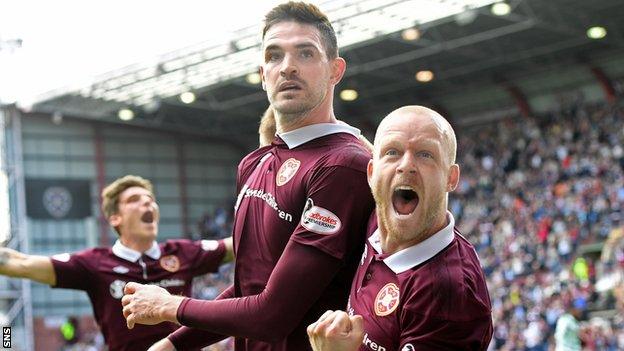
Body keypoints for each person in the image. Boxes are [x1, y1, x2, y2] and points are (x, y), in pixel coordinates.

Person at [121, 2, 375, 351]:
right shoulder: (254, 164)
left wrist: (170, 306)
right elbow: (248, 288)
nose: (287, 67)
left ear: (335, 70)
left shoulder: (342, 166)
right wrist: (171, 346)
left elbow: (272, 315)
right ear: (262, 74)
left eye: (305, 53)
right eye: (274, 56)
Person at [307, 106, 493, 351]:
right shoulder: (378, 218)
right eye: (393, 152)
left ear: (451, 178)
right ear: (371, 173)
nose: (406, 166)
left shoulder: (446, 295)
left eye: (426, 154)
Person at [0, 175, 233, 351]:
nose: (148, 204)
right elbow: (19, 262)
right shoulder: (93, 263)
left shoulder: (182, 252)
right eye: (134, 200)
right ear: (115, 218)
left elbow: (238, 245)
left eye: (151, 200)